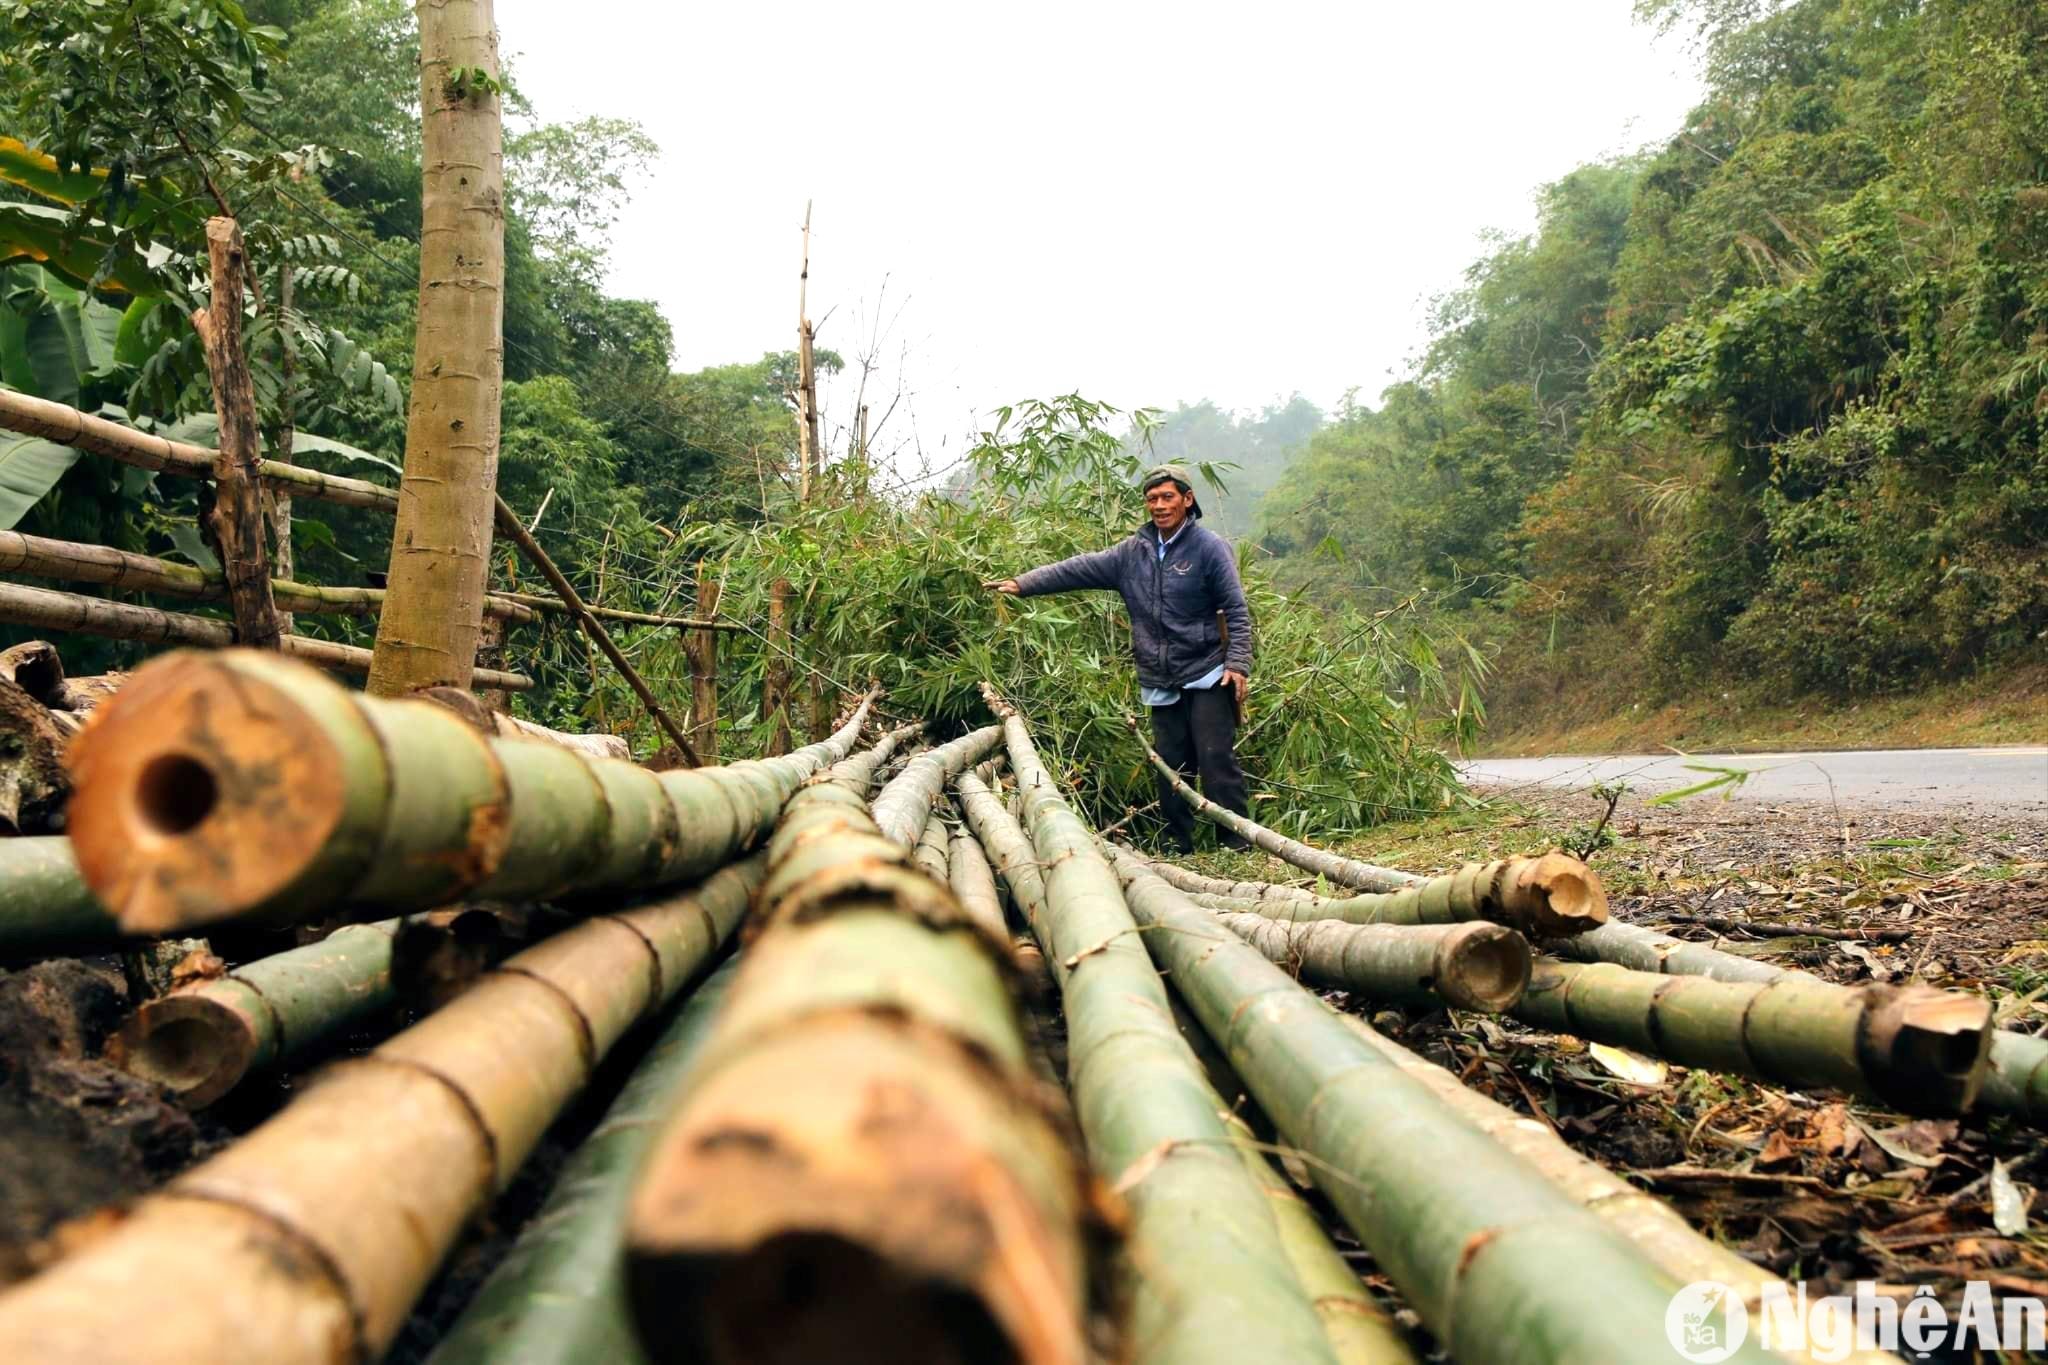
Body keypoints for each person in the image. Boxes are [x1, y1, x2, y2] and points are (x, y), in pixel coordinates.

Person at [985, 464, 1252, 853]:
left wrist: (1238, 663)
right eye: (1152, 499)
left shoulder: (1208, 548)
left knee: (1215, 760)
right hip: (1159, 675)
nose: (1159, 506)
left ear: (1187, 500)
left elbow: (1236, 609)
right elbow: (1078, 569)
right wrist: (1024, 584)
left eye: (1167, 497)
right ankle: (1179, 845)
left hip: (1208, 669)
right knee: (1170, 766)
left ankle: (1235, 843)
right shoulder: (1134, 553)